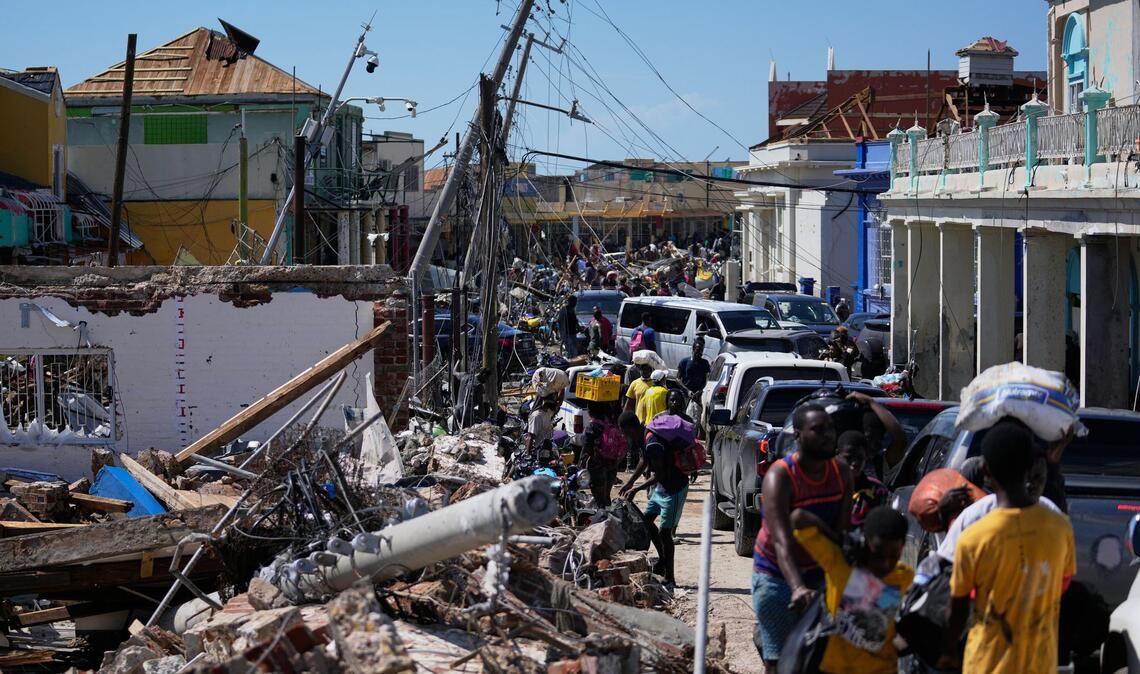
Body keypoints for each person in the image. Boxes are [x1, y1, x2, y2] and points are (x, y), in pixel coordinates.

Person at [938, 420, 1076, 674]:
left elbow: (957, 606)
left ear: (986, 471)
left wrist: (948, 650)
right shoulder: (1060, 526)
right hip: (1040, 664)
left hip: (986, 664)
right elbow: (1062, 583)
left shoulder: (973, 537)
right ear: (1030, 467)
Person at [752, 402, 853, 669]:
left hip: (820, 573)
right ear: (797, 435)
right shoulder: (780, 476)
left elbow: (840, 534)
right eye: (818, 430)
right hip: (777, 575)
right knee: (781, 662)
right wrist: (797, 587)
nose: (828, 436)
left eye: (830, 429)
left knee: (820, 658)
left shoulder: (841, 472)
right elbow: (782, 542)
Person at [791, 505, 914, 674]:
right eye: (878, 554)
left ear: (902, 548)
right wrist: (840, 541)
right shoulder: (839, 563)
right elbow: (798, 517)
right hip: (835, 668)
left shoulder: (904, 576)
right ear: (866, 542)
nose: (885, 564)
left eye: (894, 556)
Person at [618, 412, 691, 586]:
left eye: (625, 433)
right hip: (662, 487)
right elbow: (644, 461)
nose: (625, 437)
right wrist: (629, 483)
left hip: (674, 489)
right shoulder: (646, 436)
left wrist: (636, 488)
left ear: (630, 428)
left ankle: (670, 577)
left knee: (664, 533)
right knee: (646, 521)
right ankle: (662, 561)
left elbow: (659, 474)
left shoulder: (653, 444)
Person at [837, 431, 888, 528]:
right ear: (837, 456)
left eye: (859, 458)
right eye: (848, 458)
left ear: (866, 458)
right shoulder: (826, 487)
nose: (855, 463)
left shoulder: (878, 490)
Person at [580, 403, 622, 507]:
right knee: (606, 495)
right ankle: (609, 516)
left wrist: (580, 465)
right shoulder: (611, 423)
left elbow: (586, 449)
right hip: (612, 464)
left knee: (599, 498)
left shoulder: (592, 426)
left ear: (591, 411)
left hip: (597, 465)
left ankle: (603, 519)